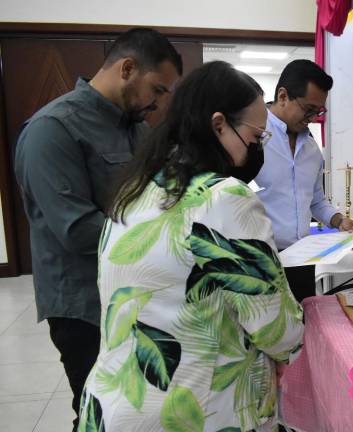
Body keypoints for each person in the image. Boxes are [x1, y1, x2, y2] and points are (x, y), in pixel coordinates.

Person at [78, 61, 304, 431]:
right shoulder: (224, 198)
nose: (257, 149)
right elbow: (280, 333)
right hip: (192, 413)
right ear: (219, 125)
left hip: (114, 403)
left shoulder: (134, 191)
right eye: (256, 137)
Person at [13, 27, 181, 430]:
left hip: (136, 293)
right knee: (98, 409)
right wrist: (167, 234)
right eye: (157, 90)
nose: (158, 104)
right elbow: (78, 230)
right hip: (84, 305)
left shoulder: (136, 127)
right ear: (127, 68)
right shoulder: (52, 129)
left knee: (137, 406)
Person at [255, 59, 353, 302]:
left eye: (319, 111)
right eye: (308, 109)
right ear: (283, 96)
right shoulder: (254, 135)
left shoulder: (311, 149)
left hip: (301, 259)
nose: (312, 118)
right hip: (259, 259)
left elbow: (316, 201)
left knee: (302, 326)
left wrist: (338, 219)